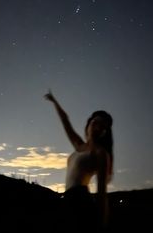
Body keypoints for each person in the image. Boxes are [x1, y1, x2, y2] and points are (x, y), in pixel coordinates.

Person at [44, 89, 114, 231]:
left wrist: (102, 224)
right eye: (95, 122)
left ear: (104, 132)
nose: (98, 127)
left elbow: (102, 193)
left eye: (102, 126)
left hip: (81, 199)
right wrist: (54, 101)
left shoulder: (100, 153)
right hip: (68, 198)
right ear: (88, 125)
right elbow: (65, 120)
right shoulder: (79, 145)